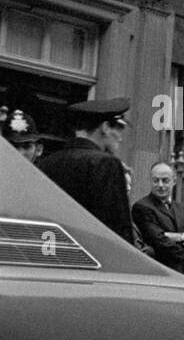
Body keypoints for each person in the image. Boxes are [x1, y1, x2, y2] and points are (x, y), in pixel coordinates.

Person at [37, 98, 134, 243]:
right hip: (96, 257)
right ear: (106, 127)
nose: (120, 138)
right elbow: (118, 229)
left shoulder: (45, 163)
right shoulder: (106, 163)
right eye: (119, 129)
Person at [133, 161, 184, 274]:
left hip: (181, 273)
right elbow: (157, 240)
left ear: (174, 181)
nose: (160, 185)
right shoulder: (142, 207)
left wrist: (180, 237)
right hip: (156, 271)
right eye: (155, 180)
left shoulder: (180, 208)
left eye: (165, 181)